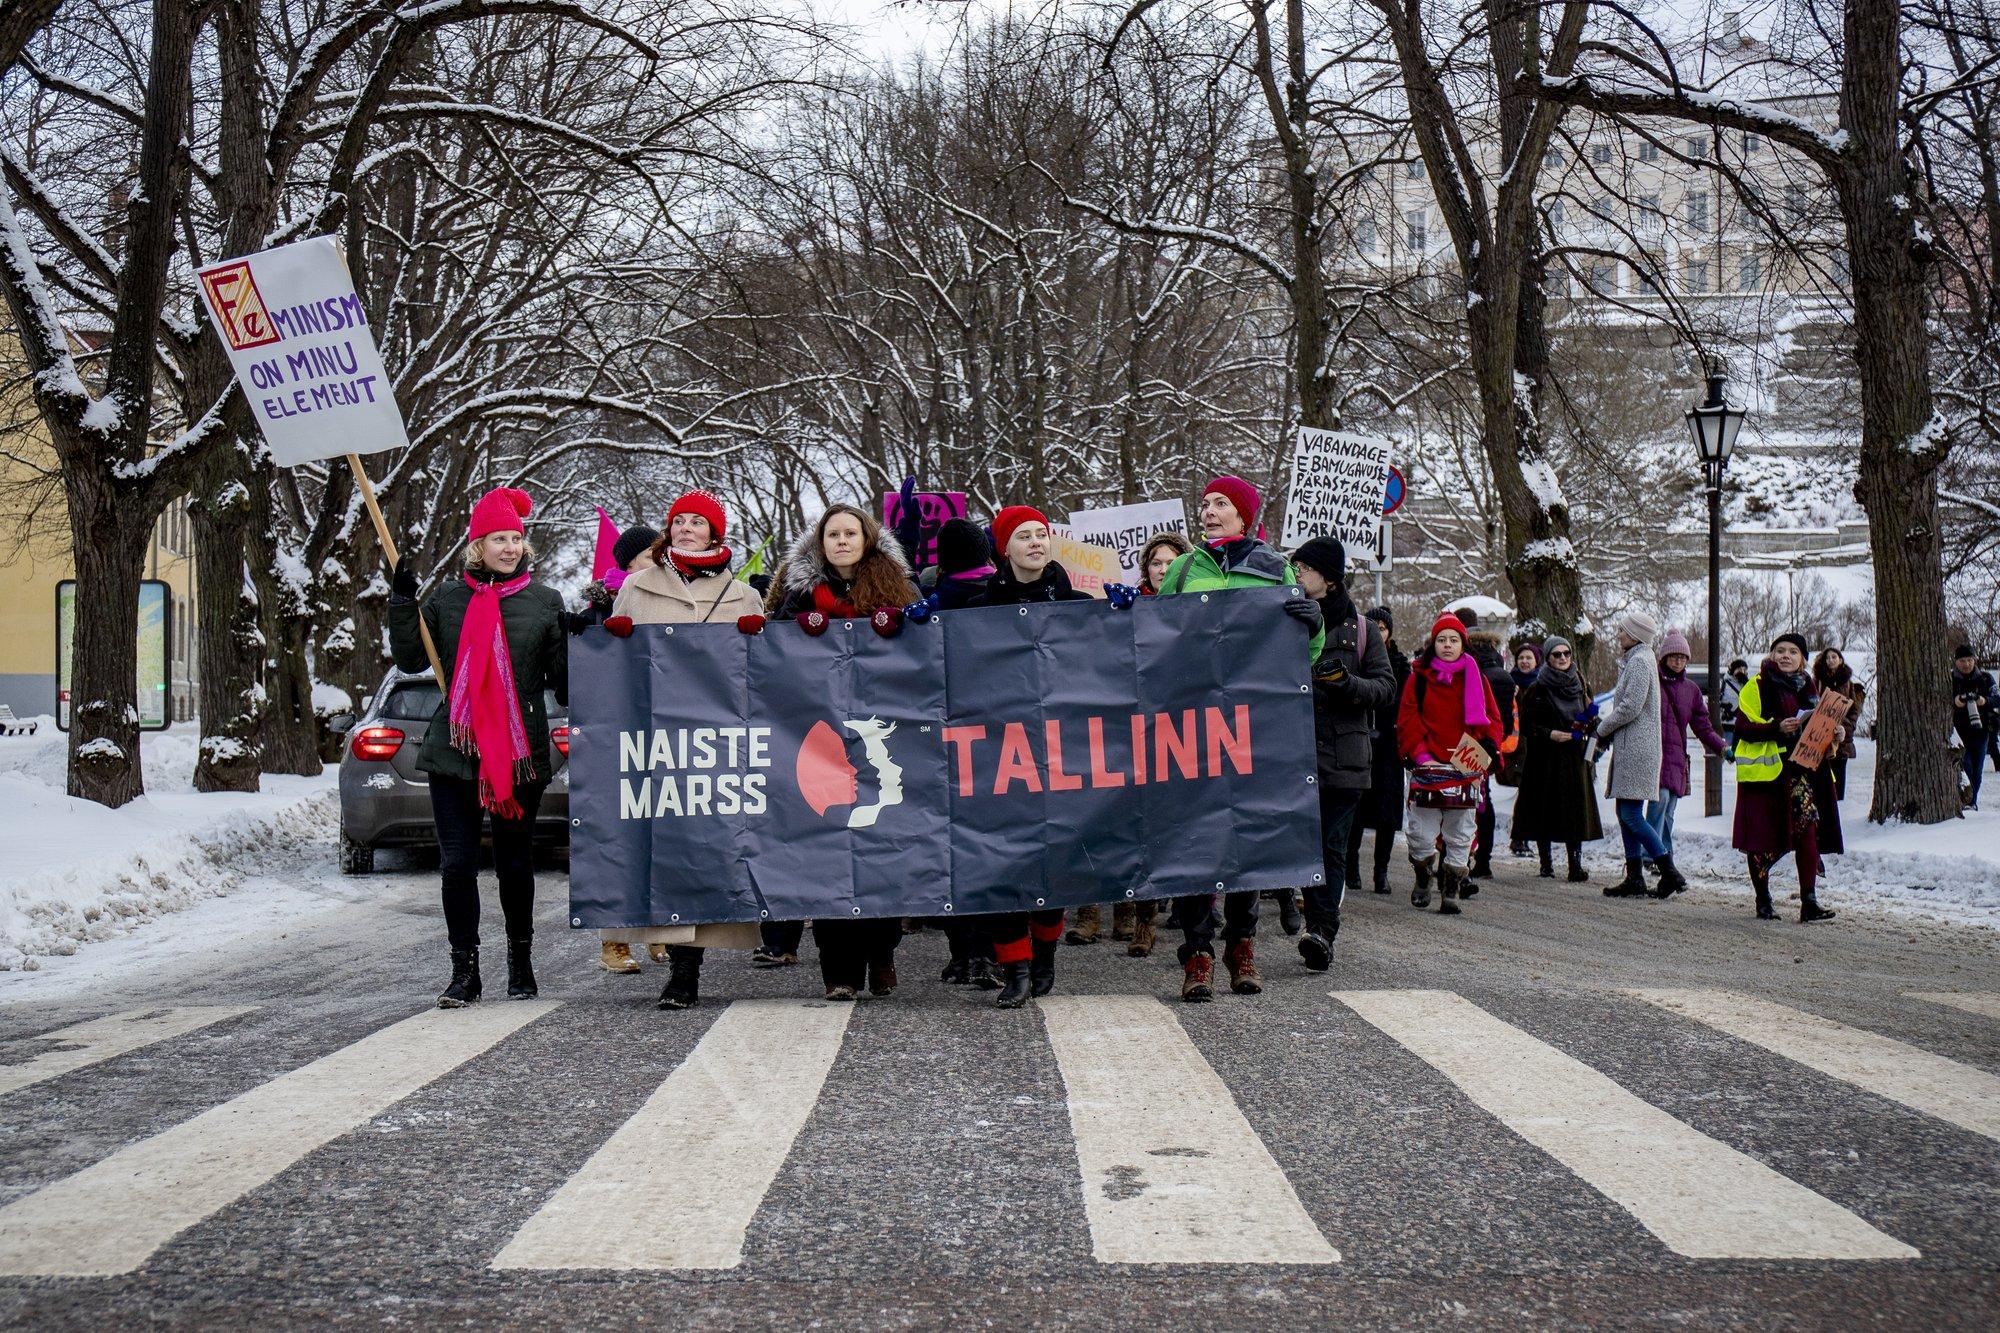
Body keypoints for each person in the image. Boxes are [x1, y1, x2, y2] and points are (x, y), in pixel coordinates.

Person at [388, 487, 566, 1007]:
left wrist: (588, 634)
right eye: (498, 539)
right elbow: (411, 661)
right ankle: (464, 972)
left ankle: (521, 964)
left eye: (516, 538)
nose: (510, 547)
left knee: (514, 863)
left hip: (519, 752)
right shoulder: (446, 599)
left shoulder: (544, 601)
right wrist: (403, 604)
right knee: (458, 864)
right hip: (455, 749)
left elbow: (563, 679)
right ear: (477, 545)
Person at [1157, 476, 1324, 1000]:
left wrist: (1313, 623)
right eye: (1204, 503)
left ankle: (1242, 945)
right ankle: (1198, 952)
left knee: (1248, 835)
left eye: (1221, 504)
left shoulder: (1275, 568)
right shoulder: (1185, 569)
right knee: (1196, 838)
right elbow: (1153, 642)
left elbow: (1304, 654)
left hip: (1255, 727)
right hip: (1191, 724)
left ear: (1245, 514)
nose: (1208, 511)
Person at [605, 490, 768, 1008]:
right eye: (679, 522)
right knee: (668, 845)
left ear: (714, 534)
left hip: (718, 742)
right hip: (659, 739)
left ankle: (693, 962)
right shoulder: (636, 587)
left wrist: (755, 640)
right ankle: (681, 973)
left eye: (698, 523)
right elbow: (617, 667)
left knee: (711, 849)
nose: (687, 530)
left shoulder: (743, 595)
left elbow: (764, 676)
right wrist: (610, 637)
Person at [770, 503, 923, 1000]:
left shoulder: (900, 585)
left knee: (883, 845)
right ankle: (837, 970)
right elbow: (773, 649)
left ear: (867, 538)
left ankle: (881, 954)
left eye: (850, 533)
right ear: (821, 542)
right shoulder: (797, 593)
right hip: (819, 733)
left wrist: (911, 621)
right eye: (832, 533)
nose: (841, 541)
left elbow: (925, 649)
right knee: (827, 848)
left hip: (882, 730)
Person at [962, 505, 1095, 1006]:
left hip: (1060, 754)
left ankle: (1044, 954)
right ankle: (1015, 967)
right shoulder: (976, 610)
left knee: (1051, 865)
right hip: (996, 754)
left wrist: (1127, 616)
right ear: (1004, 548)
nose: (1036, 542)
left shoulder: (1078, 603)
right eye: (1024, 535)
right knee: (999, 864)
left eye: (1042, 533)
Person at [1291, 537, 1396, 970]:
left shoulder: (1362, 630)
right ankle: (1306, 917)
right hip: (1294, 752)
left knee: (1330, 845)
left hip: (1343, 756)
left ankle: (1322, 931)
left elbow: (1385, 688)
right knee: (1302, 843)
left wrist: (1346, 685)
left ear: (1329, 579)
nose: (1296, 575)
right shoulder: (1288, 616)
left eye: (1304, 568)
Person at [918, 518, 1003, 990]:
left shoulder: (932, 600)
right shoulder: (998, 593)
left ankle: (963, 953)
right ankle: (985, 953)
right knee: (990, 851)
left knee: (952, 854)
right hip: (994, 741)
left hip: (944, 739)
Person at [575, 518, 662, 974]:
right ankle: (615, 941)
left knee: (661, 836)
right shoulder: (598, 608)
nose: (659, 562)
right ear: (629, 561)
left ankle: (660, 933)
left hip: (662, 734)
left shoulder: (670, 596)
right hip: (615, 737)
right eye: (650, 555)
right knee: (618, 842)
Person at [1733, 632, 1844, 922]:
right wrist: (1776, 728)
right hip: (1766, 778)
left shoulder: (1809, 687)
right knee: (1762, 840)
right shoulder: (1755, 687)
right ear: (1771, 655)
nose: (1785, 656)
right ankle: (1763, 899)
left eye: (1793, 652)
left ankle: (1809, 902)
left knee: (1808, 827)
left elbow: (1818, 728)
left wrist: (1835, 732)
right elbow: (1742, 729)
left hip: (1802, 773)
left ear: (1803, 659)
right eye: (1779, 650)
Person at [1396, 612, 1502, 914]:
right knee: (1420, 835)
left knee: (1461, 834)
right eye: (1442, 640)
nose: (1447, 645)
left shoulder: (1477, 678)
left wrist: (1489, 746)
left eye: (1453, 640)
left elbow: (1493, 719)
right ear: (1433, 644)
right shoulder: (1418, 678)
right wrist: (1420, 754)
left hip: (1464, 765)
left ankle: (1451, 887)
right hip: (1427, 764)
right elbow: (1407, 718)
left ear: (1462, 644)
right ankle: (1422, 873)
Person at [1597, 611, 1688, 899]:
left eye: (1623, 631)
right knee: (1624, 813)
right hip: (1633, 746)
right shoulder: (1640, 659)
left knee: (1632, 814)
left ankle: (1669, 870)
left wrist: (1602, 727)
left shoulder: (1639, 661)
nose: (1619, 635)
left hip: (1638, 748)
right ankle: (1635, 876)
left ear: (1635, 635)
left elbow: (1630, 707)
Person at [1510, 635, 1603, 881]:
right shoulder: (1537, 689)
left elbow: (1591, 714)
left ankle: (1575, 866)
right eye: (1557, 655)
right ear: (1548, 658)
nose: (1563, 658)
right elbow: (1527, 726)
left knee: (1575, 811)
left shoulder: (1580, 683)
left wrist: (1588, 732)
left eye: (1566, 654)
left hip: (1574, 758)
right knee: (1545, 808)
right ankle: (1546, 864)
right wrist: (1551, 734)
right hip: (1545, 758)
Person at [1648, 629, 1728, 864]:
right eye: (1673, 656)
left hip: (1676, 756)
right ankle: (1652, 854)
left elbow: (1703, 727)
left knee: (1670, 807)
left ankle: (1662, 854)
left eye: (1683, 657)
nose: (1678, 661)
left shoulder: (1691, 690)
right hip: (1654, 754)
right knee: (1659, 800)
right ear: (1663, 658)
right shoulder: (1653, 683)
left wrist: (1721, 747)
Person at [1347, 606, 1408, 895]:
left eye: (1383, 628)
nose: (1378, 632)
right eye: (1373, 627)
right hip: (1359, 741)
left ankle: (1380, 871)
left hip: (1388, 747)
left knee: (1386, 814)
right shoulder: (1354, 658)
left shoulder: (1400, 664)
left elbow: (1404, 703)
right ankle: (1350, 865)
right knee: (1355, 809)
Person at [1458, 612, 1516, 883]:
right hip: (1490, 741)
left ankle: (1461, 858)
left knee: (1461, 799)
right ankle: (1484, 860)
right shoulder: (1498, 665)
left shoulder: (1468, 664)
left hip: (1464, 740)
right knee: (1483, 796)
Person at [1812, 648, 1865, 803]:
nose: (1830, 660)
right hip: (1820, 736)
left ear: (1840, 660)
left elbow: (1854, 710)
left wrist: (1847, 726)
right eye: (1827, 658)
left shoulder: (1847, 683)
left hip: (1841, 739)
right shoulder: (1817, 681)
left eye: (1834, 657)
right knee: (1822, 779)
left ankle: (1839, 809)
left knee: (1839, 779)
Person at [1505, 642, 1541, 856]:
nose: (1525, 662)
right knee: (1526, 793)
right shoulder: (1510, 684)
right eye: (1521, 658)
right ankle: (1519, 839)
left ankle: (1524, 837)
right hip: (1519, 748)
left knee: (1530, 795)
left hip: (1538, 745)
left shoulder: (1543, 683)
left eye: (1529, 658)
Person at [1951, 645, 1996, 809]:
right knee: (1965, 768)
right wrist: (1956, 702)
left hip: (1981, 733)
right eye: (1962, 661)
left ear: (1974, 660)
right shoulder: (1950, 680)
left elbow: (1997, 699)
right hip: (1958, 734)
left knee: (1977, 772)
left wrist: (1984, 701)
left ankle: (1972, 802)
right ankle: (1964, 802)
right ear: (1956, 662)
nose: (1966, 664)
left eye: (1970, 660)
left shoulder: (1985, 678)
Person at [1137, 531, 1193, 596]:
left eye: (1171, 563)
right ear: (1146, 569)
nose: (1163, 571)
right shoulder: (1132, 603)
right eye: (1156, 564)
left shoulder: (1198, 600)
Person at [1720, 659, 1750, 750]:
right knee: (1725, 750)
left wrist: (1747, 683)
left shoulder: (1746, 683)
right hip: (1728, 723)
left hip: (1744, 724)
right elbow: (1719, 700)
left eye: (1744, 669)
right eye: (1739, 669)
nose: (1742, 671)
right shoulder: (1724, 682)